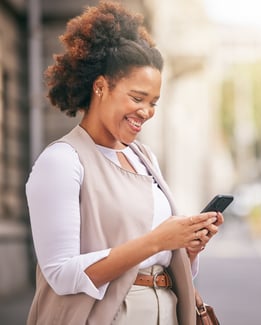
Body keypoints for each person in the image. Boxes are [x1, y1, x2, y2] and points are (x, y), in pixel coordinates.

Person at [25, 2, 223, 324]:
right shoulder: (62, 162)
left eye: (153, 102)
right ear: (100, 87)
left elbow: (155, 255)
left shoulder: (144, 158)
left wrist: (186, 246)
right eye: (137, 98)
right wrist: (159, 239)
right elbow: (60, 274)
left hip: (167, 309)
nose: (146, 111)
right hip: (111, 315)